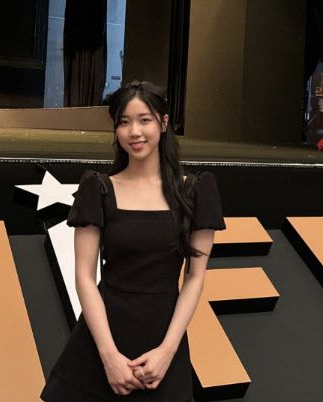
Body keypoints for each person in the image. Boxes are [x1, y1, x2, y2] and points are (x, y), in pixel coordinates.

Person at [40, 81, 226, 401]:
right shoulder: (98, 189)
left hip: (163, 340)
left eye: (144, 120)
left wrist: (167, 351)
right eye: (124, 122)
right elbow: (84, 277)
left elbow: (195, 277)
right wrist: (109, 357)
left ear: (163, 123)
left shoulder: (195, 191)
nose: (134, 132)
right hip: (102, 341)